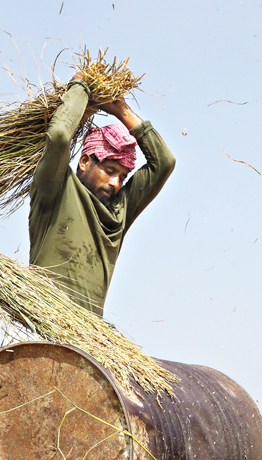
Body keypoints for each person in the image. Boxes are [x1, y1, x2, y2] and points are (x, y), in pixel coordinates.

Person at [29, 72, 176, 317]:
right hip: (41, 329)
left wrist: (121, 109)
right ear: (85, 161)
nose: (116, 183)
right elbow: (59, 136)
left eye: (123, 177)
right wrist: (80, 87)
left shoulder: (119, 212)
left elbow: (164, 162)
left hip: (87, 341)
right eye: (110, 171)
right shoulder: (56, 189)